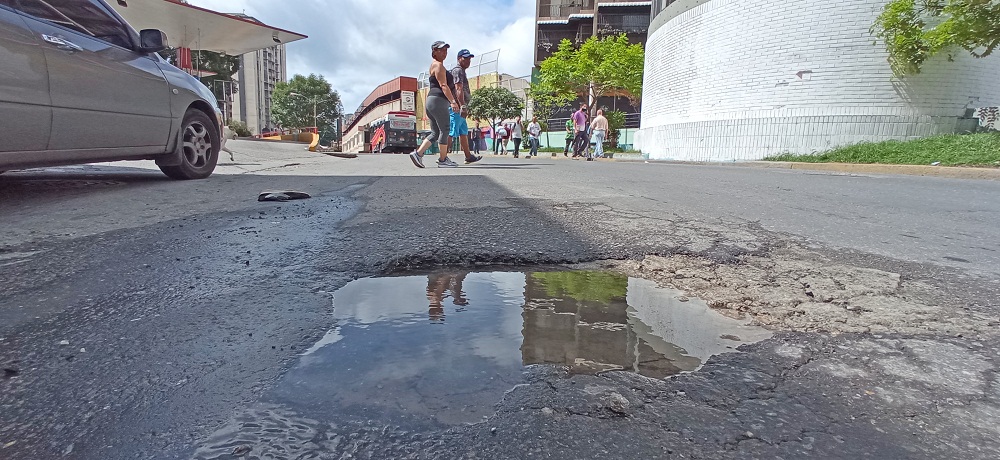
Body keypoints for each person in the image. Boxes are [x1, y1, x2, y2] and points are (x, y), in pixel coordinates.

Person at [409, 41, 462, 168]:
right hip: (438, 101)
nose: (444, 52)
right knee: (445, 129)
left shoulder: (435, 66)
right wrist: (453, 102)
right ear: (434, 52)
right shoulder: (438, 66)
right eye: (441, 50)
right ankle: (443, 160)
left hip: (431, 101)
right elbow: (443, 85)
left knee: (435, 132)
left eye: (445, 50)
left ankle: (418, 153)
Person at [449, 49, 482, 164]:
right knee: (451, 131)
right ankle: (443, 157)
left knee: (463, 132)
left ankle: (468, 156)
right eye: (465, 58)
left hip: (461, 106)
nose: (468, 61)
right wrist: (462, 105)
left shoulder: (462, 71)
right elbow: (458, 88)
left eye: (469, 59)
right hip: (457, 107)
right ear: (459, 59)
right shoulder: (458, 71)